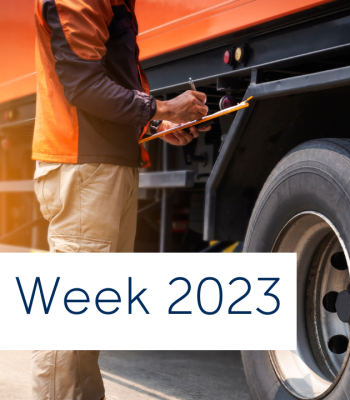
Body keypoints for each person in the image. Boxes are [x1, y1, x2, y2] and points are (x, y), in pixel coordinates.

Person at [31, 0, 210, 398]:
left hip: (102, 168)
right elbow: (82, 85)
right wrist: (162, 106)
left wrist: (154, 121)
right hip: (85, 167)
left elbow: (109, 79)